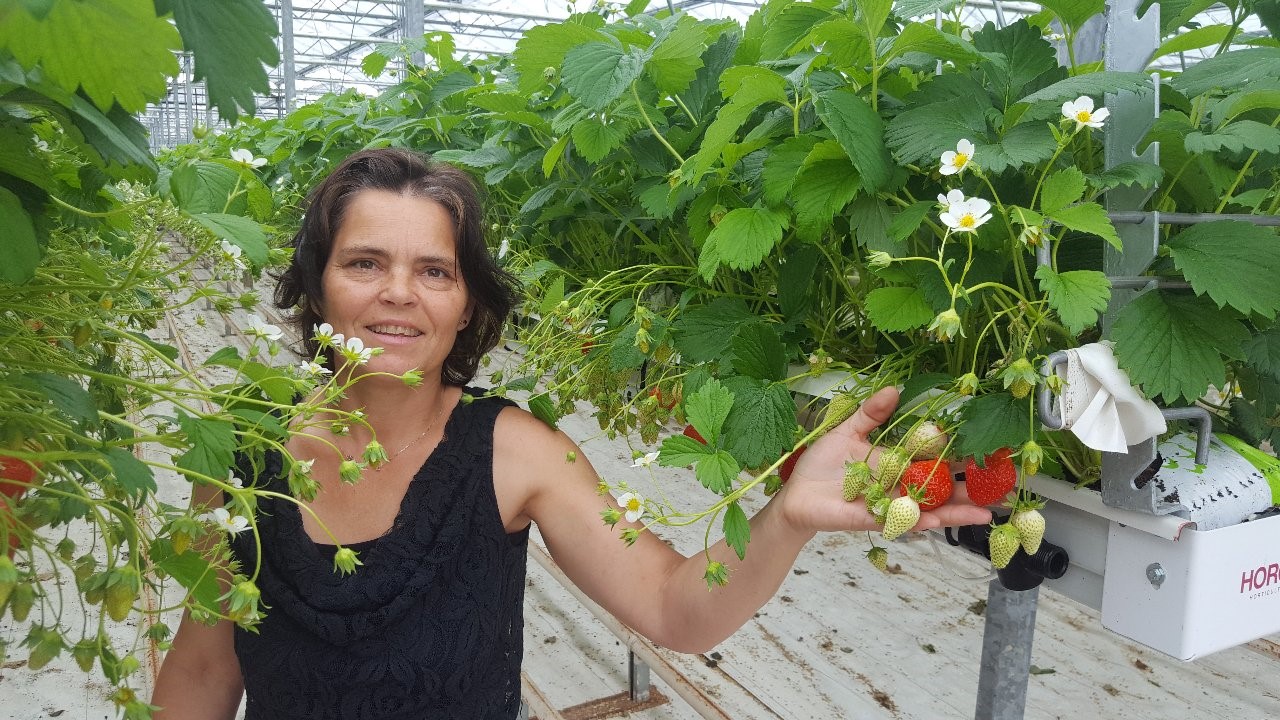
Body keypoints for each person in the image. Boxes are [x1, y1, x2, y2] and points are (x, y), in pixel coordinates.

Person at [151, 148, 992, 719]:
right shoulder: (244, 448)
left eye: (435, 271)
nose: (399, 293)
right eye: (365, 262)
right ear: (317, 284)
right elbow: (202, 670)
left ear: (469, 304)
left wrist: (787, 515)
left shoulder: (515, 451)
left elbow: (674, 608)